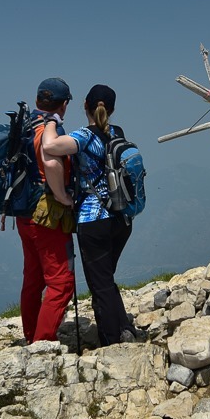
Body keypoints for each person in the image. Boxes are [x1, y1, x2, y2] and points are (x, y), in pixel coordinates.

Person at [40, 83, 140, 346]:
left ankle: (111, 340)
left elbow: (49, 147)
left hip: (93, 220)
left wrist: (51, 120)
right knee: (106, 277)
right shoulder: (117, 132)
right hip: (121, 218)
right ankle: (125, 327)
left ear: (85, 105)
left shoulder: (83, 137)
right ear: (113, 109)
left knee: (100, 284)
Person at [17, 77, 76, 344]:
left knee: (34, 278)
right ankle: (42, 345)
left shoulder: (24, 124)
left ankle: (31, 336)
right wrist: (63, 197)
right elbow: (51, 164)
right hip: (47, 217)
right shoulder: (51, 130)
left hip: (23, 214)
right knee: (61, 282)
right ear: (63, 105)